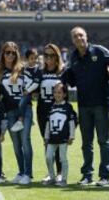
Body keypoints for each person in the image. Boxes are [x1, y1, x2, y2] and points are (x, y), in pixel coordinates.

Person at [66, 26, 109, 186]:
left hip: (101, 103)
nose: (79, 38)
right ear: (72, 40)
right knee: (86, 143)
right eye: (75, 37)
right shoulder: (72, 57)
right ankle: (87, 175)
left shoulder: (99, 51)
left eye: (81, 35)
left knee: (103, 141)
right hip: (84, 105)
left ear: (86, 36)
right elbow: (71, 80)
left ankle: (105, 176)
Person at [0, 41, 33, 185]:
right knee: (16, 144)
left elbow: (30, 90)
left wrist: (22, 111)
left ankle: (28, 174)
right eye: (7, 52)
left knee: (25, 141)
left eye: (13, 52)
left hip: (25, 110)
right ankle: (21, 171)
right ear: (3, 54)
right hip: (10, 111)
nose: (10, 55)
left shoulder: (23, 69)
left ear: (17, 54)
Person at [36, 44, 67, 183]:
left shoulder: (63, 72)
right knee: (47, 142)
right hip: (43, 111)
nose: (48, 58)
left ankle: (60, 172)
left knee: (59, 141)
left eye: (52, 55)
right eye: (46, 55)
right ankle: (51, 173)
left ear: (57, 56)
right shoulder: (39, 72)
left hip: (59, 112)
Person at [43, 82, 77, 187]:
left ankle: (64, 179)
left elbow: (72, 122)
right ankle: (52, 177)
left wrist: (71, 136)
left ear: (65, 94)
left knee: (62, 158)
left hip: (63, 138)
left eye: (60, 92)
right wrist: (46, 137)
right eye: (55, 92)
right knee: (48, 157)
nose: (57, 94)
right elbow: (48, 123)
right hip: (52, 138)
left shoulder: (68, 107)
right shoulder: (51, 107)